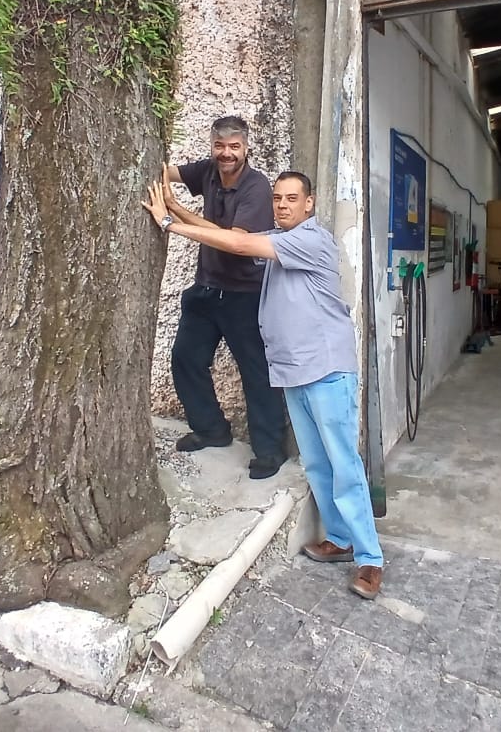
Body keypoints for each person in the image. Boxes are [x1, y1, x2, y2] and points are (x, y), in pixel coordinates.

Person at [143, 170, 384, 600]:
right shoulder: (279, 239)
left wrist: (168, 226)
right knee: (317, 464)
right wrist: (179, 209)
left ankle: (370, 559)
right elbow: (229, 235)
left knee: (344, 465)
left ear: (309, 204)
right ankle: (342, 540)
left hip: (327, 371)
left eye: (292, 198)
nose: (283, 205)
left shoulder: (310, 240)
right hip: (295, 372)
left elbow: (238, 243)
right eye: (277, 198)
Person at [161, 116, 288, 480]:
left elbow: (233, 240)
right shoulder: (208, 172)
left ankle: (269, 451)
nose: (226, 153)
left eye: (234, 146)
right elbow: (165, 169)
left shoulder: (257, 188)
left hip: (244, 293)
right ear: (212, 146)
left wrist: (175, 211)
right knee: (186, 358)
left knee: (256, 373)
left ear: (246, 148)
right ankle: (212, 430)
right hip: (206, 287)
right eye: (220, 146)